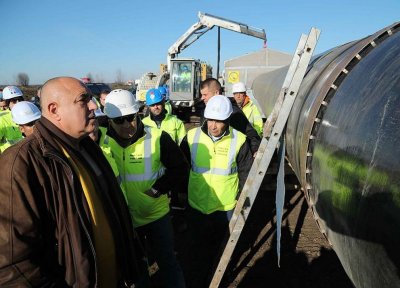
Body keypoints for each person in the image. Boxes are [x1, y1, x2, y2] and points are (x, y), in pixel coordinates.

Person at [0, 77, 142, 287]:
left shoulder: (86, 147)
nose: (94, 105)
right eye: (83, 100)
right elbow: (11, 266)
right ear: (54, 110)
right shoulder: (19, 165)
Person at [103, 89, 188, 288]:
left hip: (156, 216)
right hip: (127, 220)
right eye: (119, 120)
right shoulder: (102, 140)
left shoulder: (158, 138)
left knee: (167, 262)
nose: (126, 125)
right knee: (137, 268)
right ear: (109, 120)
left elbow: (180, 168)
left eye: (130, 118)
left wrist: (158, 189)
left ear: (138, 113)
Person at [180, 95, 253, 287]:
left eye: (219, 121)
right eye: (210, 119)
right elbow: (180, 166)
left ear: (227, 120)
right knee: (196, 248)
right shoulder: (191, 137)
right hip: (196, 203)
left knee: (222, 248)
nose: (213, 125)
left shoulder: (239, 140)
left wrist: (241, 199)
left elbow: (246, 173)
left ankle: (221, 276)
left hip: (225, 206)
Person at [200, 78, 261, 155]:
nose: (202, 98)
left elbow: (251, 134)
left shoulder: (233, 112)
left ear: (216, 93)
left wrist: (255, 150)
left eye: (205, 95)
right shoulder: (205, 111)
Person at [0, 85, 24, 153]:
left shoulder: (29, 114)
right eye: (14, 101)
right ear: (8, 104)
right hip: (9, 158)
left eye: (19, 100)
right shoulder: (2, 119)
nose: (18, 103)